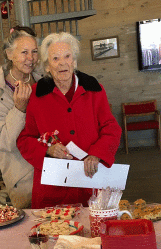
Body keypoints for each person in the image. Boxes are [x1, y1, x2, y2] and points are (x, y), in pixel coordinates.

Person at [17, 32, 122, 209]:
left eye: (67, 56)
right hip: (53, 188)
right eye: (55, 58)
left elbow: (111, 128)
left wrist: (97, 153)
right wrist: (48, 150)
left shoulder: (94, 90)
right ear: (48, 66)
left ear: (74, 61)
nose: (62, 63)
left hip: (90, 183)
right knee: (52, 234)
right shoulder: (36, 95)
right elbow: (25, 139)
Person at [0, 26, 42, 209]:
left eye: (34, 52)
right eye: (24, 52)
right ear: (9, 54)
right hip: (24, 177)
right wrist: (19, 109)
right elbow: (3, 143)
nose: (31, 58)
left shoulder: (43, 81)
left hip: (51, 168)